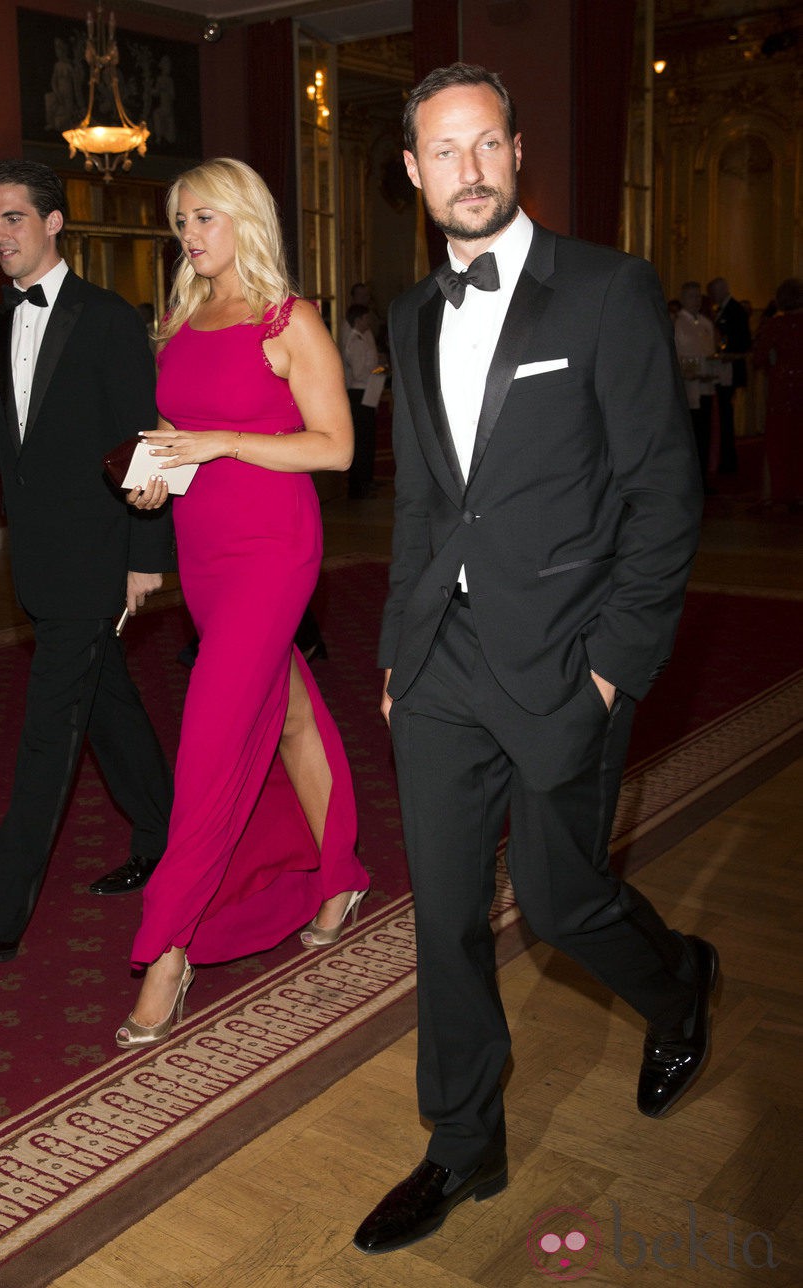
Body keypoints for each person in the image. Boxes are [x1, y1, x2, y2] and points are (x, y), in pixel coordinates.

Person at [354, 64, 718, 1256]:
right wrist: (401, 647)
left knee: (560, 903)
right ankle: (462, 1143)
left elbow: (661, 496)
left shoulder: (606, 292)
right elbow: (424, 507)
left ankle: (675, 984)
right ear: (412, 174)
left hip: (566, 657)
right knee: (445, 915)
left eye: (485, 144)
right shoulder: (409, 316)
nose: (467, 169)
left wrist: (613, 665)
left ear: (515, 153)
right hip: (444, 664)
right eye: (441, 152)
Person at [116, 157, 370, 1047]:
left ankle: (168, 951)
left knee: (211, 737)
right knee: (289, 714)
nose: (190, 235)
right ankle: (338, 872)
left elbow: (336, 449)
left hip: (273, 549)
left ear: (247, 219)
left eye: (206, 217)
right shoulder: (182, 319)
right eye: (182, 220)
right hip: (204, 550)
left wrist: (221, 440)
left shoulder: (287, 320)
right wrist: (160, 480)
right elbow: (182, 441)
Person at [0, 159, 175, 967]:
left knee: (46, 734)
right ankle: (170, 835)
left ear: (54, 223)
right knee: (108, 708)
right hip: (39, 564)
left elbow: (146, 440)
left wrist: (144, 556)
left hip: (100, 557)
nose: (0, 238)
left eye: (14, 220)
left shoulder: (106, 319)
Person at [753, 276, 803, 510]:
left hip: (782, 386)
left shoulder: (775, 325)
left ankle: (782, 492)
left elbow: (759, 357)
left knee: (780, 440)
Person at [673, 280, 717, 491]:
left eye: (699, 296)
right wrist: (694, 372)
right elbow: (677, 358)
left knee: (704, 435)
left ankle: (702, 478)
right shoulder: (678, 324)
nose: (696, 300)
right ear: (683, 299)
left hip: (705, 387)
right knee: (690, 436)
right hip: (688, 390)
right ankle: (689, 480)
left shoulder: (706, 323)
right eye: (692, 296)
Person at [707, 276, 752, 474]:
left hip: (729, 369)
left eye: (714, 292)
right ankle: (725, 457)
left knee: (726, 415)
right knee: (723, 415)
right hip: (723, 368)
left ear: (721, 290)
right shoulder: (724, 309)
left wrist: (726, 353)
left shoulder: (734, 309)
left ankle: (728, 459)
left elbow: (743, 343)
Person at [342, 303, 380, 498]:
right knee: (361, 441)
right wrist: (377, 371)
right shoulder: (355, 340)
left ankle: (364, 481)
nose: (368, 321)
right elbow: (358, 372)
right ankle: (357, 486)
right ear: (358, 320)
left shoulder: (364, 337)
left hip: (367, 392)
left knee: (368, 440)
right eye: (365, 318)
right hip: (359, 393)